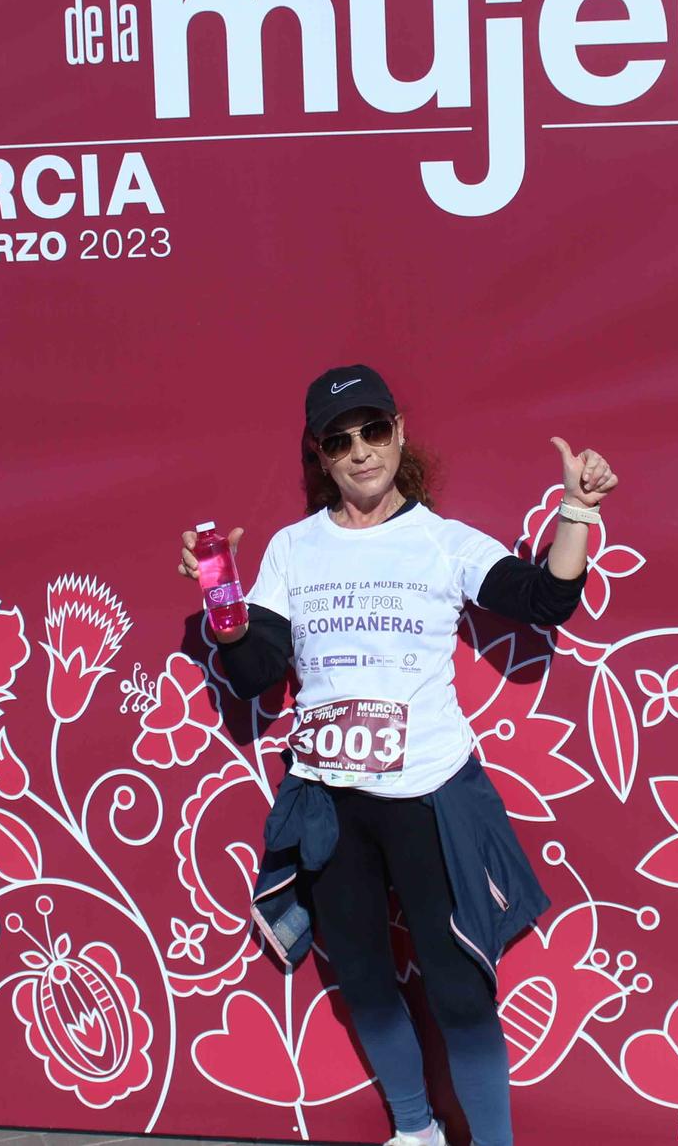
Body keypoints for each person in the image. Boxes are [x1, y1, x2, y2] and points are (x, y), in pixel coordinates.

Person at [177, 364, 615, 1146]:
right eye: (339, 440)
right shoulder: (290, 549)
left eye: (373, 430)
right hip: (328, 801)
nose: (360, 451)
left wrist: (578, 507)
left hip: (428, 796)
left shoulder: (441, 542)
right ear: (322, 455)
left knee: (458, 989)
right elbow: (254, 676)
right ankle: (415, 1131)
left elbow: (546, 599)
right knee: (367, 981)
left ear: (399, 435)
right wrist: (229, 618)